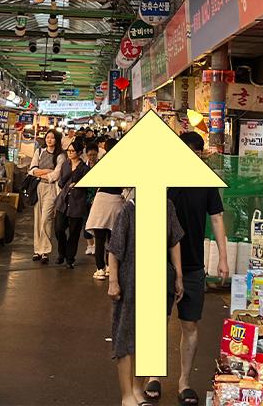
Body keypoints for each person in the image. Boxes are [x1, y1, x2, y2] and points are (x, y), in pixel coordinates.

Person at [146, 131, 230, 406]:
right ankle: (153, 376)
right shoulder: (163, 179)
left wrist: (223, 258)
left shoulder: (206, 182)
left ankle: (184, 381)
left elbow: (216, 218)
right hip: (159, 261)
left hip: (193, 265)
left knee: (190, 323)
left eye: (196, 154)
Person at [108, 189, 185, 406]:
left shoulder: (167, 207)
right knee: (125, 336)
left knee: (149, 338)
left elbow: (174, 241)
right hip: (130, 281)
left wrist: (179, 275)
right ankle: (126, 396)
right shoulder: (129, 210)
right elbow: (114, 249)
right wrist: (113, 280)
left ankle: (137, 389)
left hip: (158, 279)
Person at [86, 137, 123, 280]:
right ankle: (109, 267)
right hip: (116, 201)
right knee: (112, 238)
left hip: (101, 201)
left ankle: (100, 269)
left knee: (99, 239)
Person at [53, 141, 90, 268]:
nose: (69, 153)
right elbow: (61, 183)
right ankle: (62, 253)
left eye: (72, 151)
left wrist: (78, 185)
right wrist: (69, 175)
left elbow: (88, 187)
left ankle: (70, 258)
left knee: (74, 233)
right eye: (68, 150)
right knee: (58, 229)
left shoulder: (85, 169)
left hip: (77, 203)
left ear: (79, 152)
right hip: (63, 202)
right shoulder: (65, 165)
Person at [29, 130, 64, 263]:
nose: (49, 140)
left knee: (46, 219)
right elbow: (32, 170)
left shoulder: (60, 156)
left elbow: (55, 175)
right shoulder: (39, 152)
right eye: (47, 137)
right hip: (38, 187)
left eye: (52, 138)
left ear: (57, 140)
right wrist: (46, 171)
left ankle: (45, 251)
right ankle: (37, 250)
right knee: (38, 219)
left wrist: (40, 173)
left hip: (51, 189)